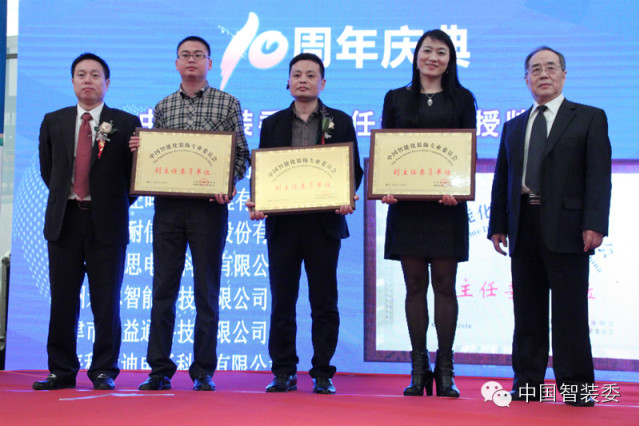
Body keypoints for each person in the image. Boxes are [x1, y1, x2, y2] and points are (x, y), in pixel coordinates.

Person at [488, 46, 611, 407]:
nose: (543, 74)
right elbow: (503, 179)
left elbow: (598, 177)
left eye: (551, 67)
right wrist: (498, 224)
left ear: (564, 75)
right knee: (527, 310)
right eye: (535, 69)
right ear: (526, 78)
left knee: (570, 311)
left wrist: (594, 223)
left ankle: (576, 387)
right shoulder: (513, 126)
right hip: (523, 223)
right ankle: (528, 383)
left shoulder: (589, 117)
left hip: (570, 227)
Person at [132, 36, 250, 391]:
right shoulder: (163, 106)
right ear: (176, 63)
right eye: (185, 55)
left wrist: (228, 182)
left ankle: (203, 370)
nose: (191, 60)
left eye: (199, 55)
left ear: (209, 63)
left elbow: (240, 155)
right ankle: (159, 369)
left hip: (208, 209)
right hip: (168, 209)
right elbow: (157, 158)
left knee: (207, 291)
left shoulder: (227, 103)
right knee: (163, 289)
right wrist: (140, 151)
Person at [246, 53, 363, 394]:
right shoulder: (272, 124)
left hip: (324, 225)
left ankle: (323, 372)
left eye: (311, 75)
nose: (303, 80)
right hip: (283, 225)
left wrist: (346, 195)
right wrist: (259, 200)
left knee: (324, 302)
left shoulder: (340, 121)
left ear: (322, 83)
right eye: (297, 74)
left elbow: (353, 169)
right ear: (288, 82)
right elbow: (264, 171)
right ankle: (283, 371)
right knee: (282, 300)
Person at [34, 53, 141, 391]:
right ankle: (61, 370)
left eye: (95, 75)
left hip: (106, 222)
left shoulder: (126, 122)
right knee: (63, 299)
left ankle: (103, 369)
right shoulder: (54, 121)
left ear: (107, 83)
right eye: (81, 74)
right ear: (72, 82)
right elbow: (49, 170)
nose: (88, 80)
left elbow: (134, 178)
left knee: (105, 301)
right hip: (64, 220)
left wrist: (109, 203)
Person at [380, 30, 476, 397]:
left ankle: (446, 367)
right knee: (415, 285)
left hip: (446, 208)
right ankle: (418, 368)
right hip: (407, 208)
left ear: (450, 60)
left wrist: (458, 187)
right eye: (427, 50)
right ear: (416, 55)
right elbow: (388, 148)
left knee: (446, 286)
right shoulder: (396, 98)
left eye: (441, 52)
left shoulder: (462, 99)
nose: (433, 57)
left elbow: (466, 150)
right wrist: (386, 185)